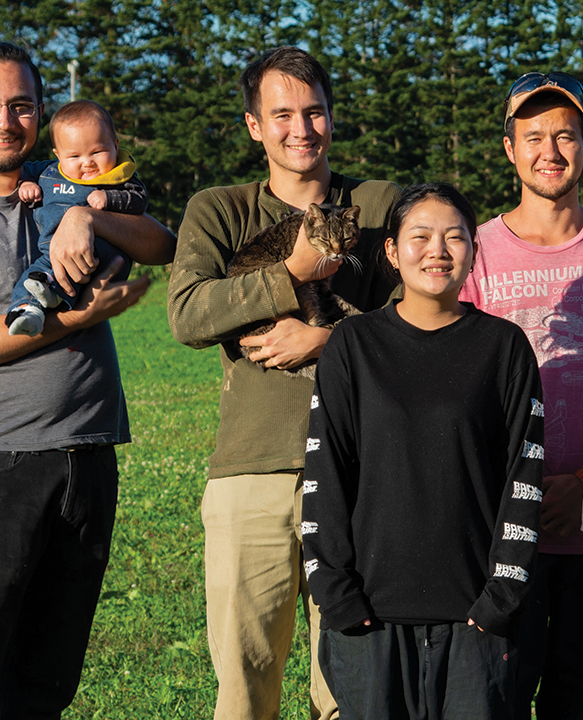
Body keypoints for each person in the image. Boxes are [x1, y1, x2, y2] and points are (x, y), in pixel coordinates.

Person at [0, 40, 175, 718]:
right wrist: (82, 317)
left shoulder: (67, 185)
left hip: (88, 462)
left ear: (41, 113)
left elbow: (166, 245)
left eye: (21, 105)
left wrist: (86, 210)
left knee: (41, 691)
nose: (5, 121)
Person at [167, 46, 401, 720]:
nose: (301, 128)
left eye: (314, 112)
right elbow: (188, 315)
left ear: (332, 117)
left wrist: (328, 338)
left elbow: (422, 323)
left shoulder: (380, 205)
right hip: (253, 471)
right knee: (246, 688)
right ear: (253, 126)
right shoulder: (218, 211)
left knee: (355, 690)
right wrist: (290, 272)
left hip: (365, 471)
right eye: (282, 115)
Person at [459, 70, 583, 720]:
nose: (551, 150)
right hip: (497, 537)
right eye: (534, 136)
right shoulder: (472, 255)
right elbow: (455, 394)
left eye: (566, 136)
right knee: (497, 702)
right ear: (508, 149)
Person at [302, 182, 545, 719]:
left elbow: (523, 480)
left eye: (455, 238)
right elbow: (325, 473)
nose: (437, 251)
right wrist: (337, 595)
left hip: (477, 624)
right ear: (391, 251)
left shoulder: (503, 348)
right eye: (420, 237)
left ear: (475, 253)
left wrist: (501, 599)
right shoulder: (354, 345)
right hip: (371, 621)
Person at [7, 99, 147, 336]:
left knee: (54, 274)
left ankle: (51, 294)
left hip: (101, 257)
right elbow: (24, 171)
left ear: (115, 144)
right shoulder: (50, 172)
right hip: (52, 253)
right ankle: (27, 312)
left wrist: (109, 198)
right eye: (74, 156)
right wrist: (25, 184)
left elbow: (140, 198)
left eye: (97, 151)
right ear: (58, 155)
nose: (87, 162)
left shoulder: (118, 178)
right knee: (33, 278)